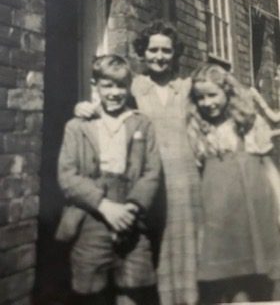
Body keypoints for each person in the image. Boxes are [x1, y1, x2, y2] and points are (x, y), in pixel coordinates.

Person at [74, 20, 200, 305]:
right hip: (148, 182)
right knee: (147, 251)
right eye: (153, 49)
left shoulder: (186, 87)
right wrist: (85, 107)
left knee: (185, 249)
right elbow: (108, 98)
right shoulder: (136, 85)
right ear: (143, 52)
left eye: (166, 51)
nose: (159, 56)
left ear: (174, 54)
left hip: (184, 182)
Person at [56, 55, 161, 305]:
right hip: (91, 217)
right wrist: (105, 206)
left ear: (129, 87)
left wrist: (130, 210)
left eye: (120, 86)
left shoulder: (141, 123)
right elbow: (67, 176)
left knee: (133, 289)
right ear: (96, 86)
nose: (114, 92)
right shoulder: (78, 126)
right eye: (107, 85)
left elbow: (152, 172)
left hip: (131, 217)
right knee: (91, 291)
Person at [187, 63, 280, 303]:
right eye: (200, 98)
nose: (207, 103)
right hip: (217, 218)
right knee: (223, 280)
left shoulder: (248, 122)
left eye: (212, 95)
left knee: (254, 280)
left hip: (253, 213)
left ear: (227, 92)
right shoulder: (198, 128)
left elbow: (268, 168)